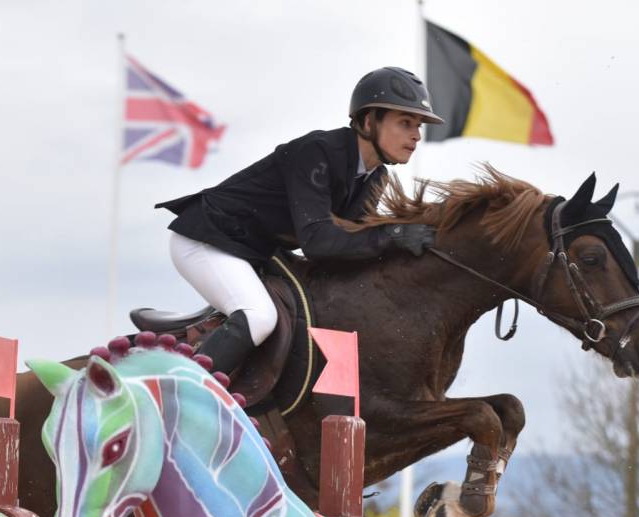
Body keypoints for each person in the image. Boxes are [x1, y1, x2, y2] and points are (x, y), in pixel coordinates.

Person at [156, 67, 443, 375]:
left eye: (418, 125)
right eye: (405, 123)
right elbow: (318, 243)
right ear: (369, 121)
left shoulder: (376, 176)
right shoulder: (318, 152)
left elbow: (350, 246)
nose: (417, 135)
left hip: (255, 252)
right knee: (258, 316)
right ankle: (182, 392)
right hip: (206, 239)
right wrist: (393, 235)